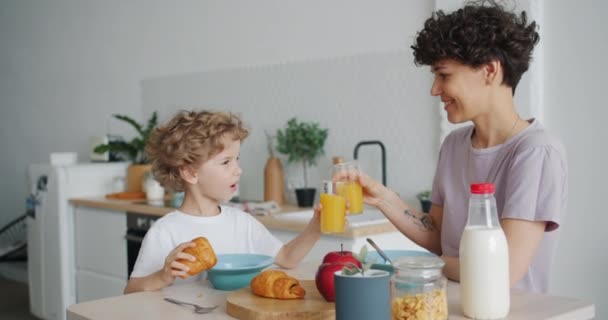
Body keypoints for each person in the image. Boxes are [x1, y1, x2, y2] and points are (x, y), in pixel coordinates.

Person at [349, 1, 567, 293]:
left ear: (489, 70)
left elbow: (501, 271)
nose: (434, 89)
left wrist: (425, 265)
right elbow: (438, 235)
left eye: (444, 75)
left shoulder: (536, 152)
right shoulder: (453, 145)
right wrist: (383, 198)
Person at [124, 110, 321, 294]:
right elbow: (130, 292)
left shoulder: (242, 223)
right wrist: (163, 276)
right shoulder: (166, 231)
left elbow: (287, 257)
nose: (238, 170)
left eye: (237, 159)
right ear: (190, 172)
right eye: (226, 162)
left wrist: (317, 226)